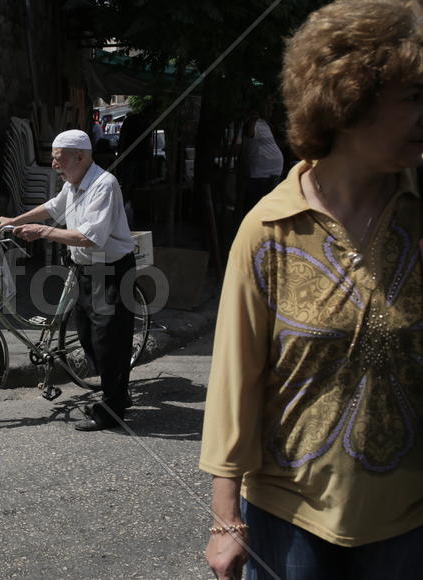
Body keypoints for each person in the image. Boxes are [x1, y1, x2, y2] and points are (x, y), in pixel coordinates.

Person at [200, 1, 423, 578]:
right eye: (414, 98)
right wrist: (227, 522)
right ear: (351, 101)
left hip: (408, 522)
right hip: (288, 522)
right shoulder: (268, 229)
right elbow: (236, 382)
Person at [0, 129, 136, 431]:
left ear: (80, 157)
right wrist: (15, 220)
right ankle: (118, 390)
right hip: (84, 269)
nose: (55, 166)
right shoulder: (72, 184)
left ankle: (112, 410)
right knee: (87, 336)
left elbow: (89, 237)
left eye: (59, 160)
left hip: (110, 271)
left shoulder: (103, 185)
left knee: (108, 342)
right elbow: (53, 208)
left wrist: (42, 231)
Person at [238, 107, 284, 216]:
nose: (270, 109)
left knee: (265, 205)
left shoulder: (263, 123)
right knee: (260, 205)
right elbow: (249, 133)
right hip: (262, 170)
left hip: (270, 169)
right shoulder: (252, 123)